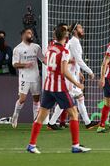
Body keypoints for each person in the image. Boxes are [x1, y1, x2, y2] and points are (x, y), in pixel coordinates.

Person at [26, 25, 90, 154]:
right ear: (66, 37)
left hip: (48, 86)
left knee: (41, 116)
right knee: (74, 114)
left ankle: (31, 145)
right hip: (59, 87)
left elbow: (48, 61)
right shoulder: (64, 52)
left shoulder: (50, 48)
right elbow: (64, 71)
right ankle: (75, 146)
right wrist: (77, 83)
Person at [47, 23, 98, 130]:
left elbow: (73, 60)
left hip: (72, 75)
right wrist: (90, 71)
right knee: (68, 100)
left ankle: (87, 122)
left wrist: (79, 73)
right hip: (69, 78)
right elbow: (78, 60)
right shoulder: (74, 42)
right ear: (75, 30)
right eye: (80, 27)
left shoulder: (73, 42)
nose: (82, 29)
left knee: (78, 98)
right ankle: (51, 123)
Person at [11, 28, 46, 128]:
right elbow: (14, 64)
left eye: (32, 33)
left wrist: (52, 64)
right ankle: (15, 115)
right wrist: (25, 65)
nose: (31, 35)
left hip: (35, 77)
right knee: (22, 99)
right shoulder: (18, 49)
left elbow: (43, 59)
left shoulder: (36, 47)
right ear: (23, 35)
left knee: (36, 99)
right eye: (29, 33)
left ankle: (35, 121)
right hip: (24, 78)